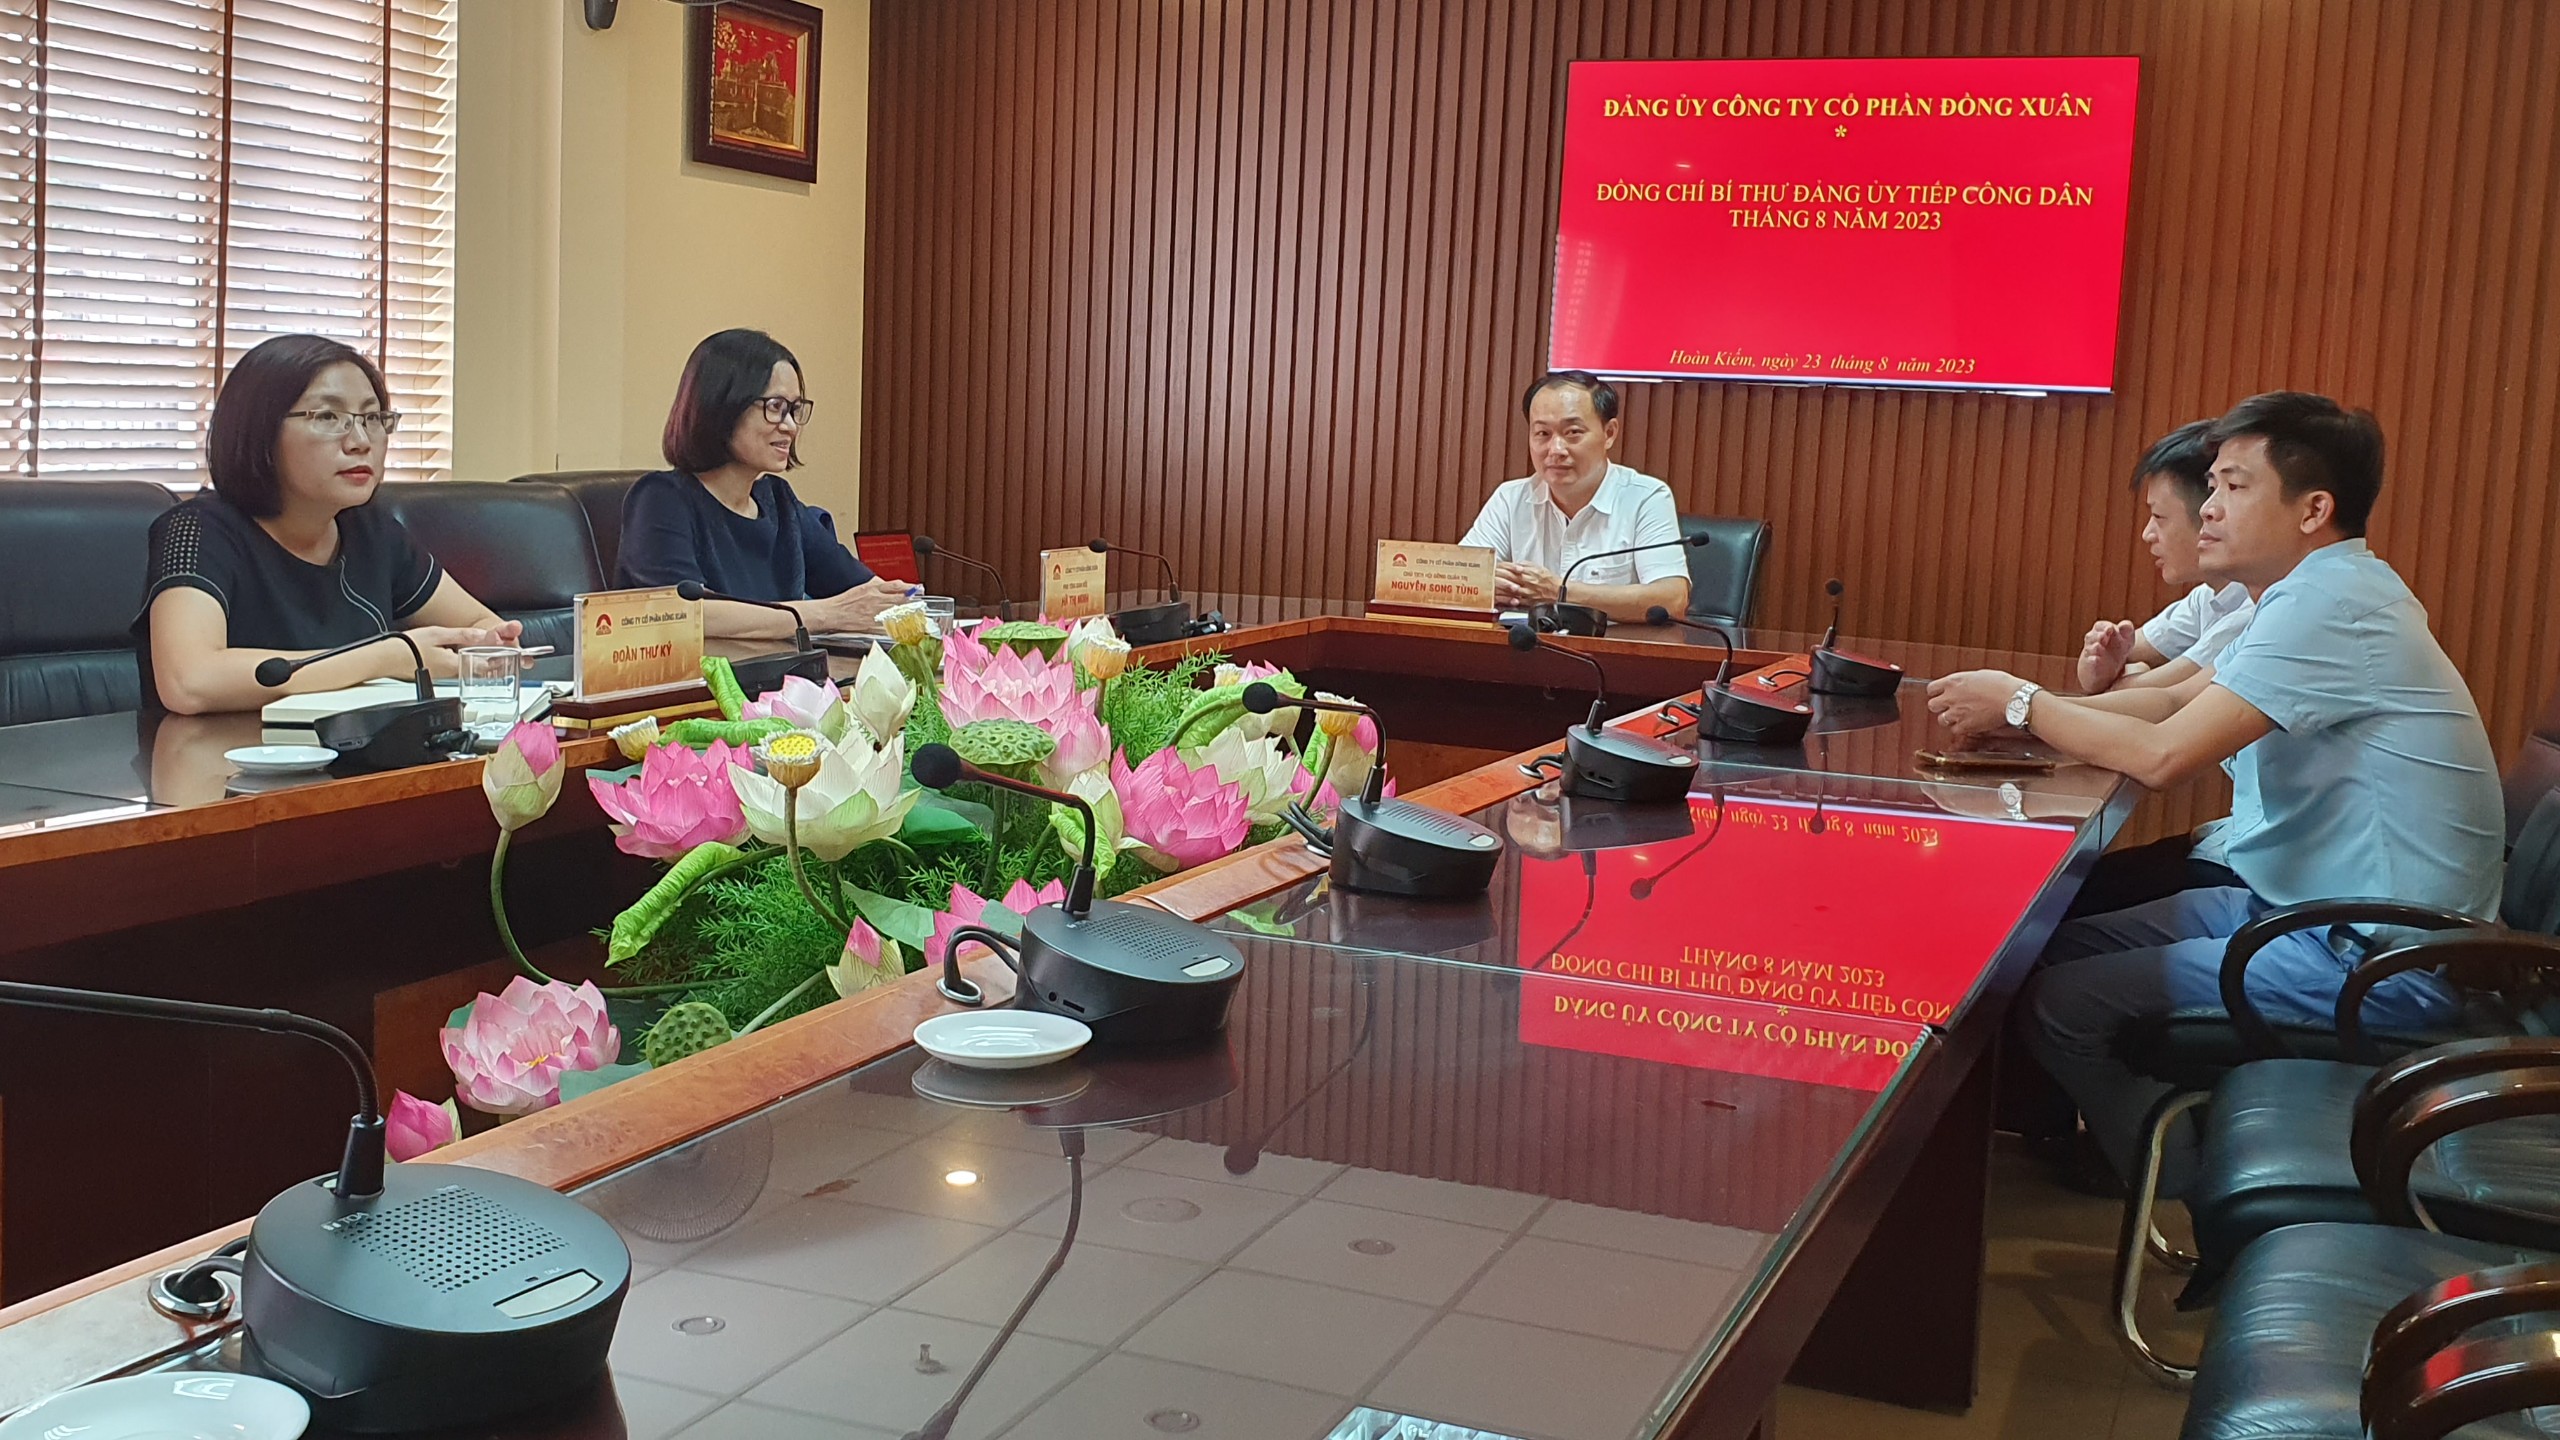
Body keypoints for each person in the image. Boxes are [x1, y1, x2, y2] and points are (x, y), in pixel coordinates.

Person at [1927, 391, 2503, 1194]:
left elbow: (2165, 755)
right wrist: (2027, 717)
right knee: (2035, 948)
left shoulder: (2333, 604)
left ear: (2313, 510)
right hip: (2300, 908)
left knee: (2059, 1000)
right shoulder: (2306, 594)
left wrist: (2023, 704)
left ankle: (2183, 1189)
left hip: (2381, 958)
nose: (2209, 508)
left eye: (2234, 486)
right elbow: (2169, 704)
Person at [134, 334, 521, 715]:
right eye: (327, 417)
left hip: (355, 752)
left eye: (372, 418)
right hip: (224, 754)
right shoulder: (196, 530)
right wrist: (385, 657)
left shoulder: (371, 529)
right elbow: (189, 681)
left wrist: (492, 645)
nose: (360, 441)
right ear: (259, 431)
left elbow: (478, 623)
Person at [2057, 420, 2255, 919]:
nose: (2148, 535)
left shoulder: (2261, 608)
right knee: (2064, 900)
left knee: (2057, 911)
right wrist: (2108, 672)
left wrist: (2017, 707)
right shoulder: (2210, 597)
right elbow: (2123, 670)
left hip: (2261, 871)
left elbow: (2164, 707)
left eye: (2159, 518)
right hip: (2241, 844)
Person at [617, 329, 912, 639]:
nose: (790, 426)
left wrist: (906, 605)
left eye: (794, 410)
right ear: (723, 406)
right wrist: (828, 614)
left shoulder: (779, 502)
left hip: (781, 669)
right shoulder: (661, 500)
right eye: (775, 407)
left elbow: (863, 591)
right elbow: (684, 614)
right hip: (701, 671)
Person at [1460, 371, 1691, 621]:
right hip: (1525, 644)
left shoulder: (1645, 498)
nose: (1556, 449)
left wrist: (1559, 592)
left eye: (1572, 432)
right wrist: (1485, 584)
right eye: (1543, 434)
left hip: (1611, 645)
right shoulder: (1510, 499)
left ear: (1609, 433)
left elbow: (1672, 600)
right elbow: (1455, 578)